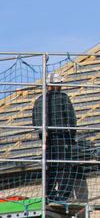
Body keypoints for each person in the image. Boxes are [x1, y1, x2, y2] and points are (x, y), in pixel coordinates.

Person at [32, 72, 78, 202]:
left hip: (46, 140)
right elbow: (71, 119)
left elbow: (35, 122)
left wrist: (42, 135)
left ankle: (50, 194)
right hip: (61, 137)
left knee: (49, 166)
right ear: (55, 85)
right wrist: (71, 137)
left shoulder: (39, 101)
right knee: (64, 165)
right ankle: (63, 196)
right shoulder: (62, 98)